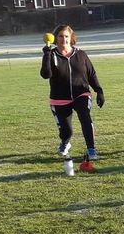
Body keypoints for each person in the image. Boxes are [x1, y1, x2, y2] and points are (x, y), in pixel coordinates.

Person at [41, 25, 104, 160]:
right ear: (55, 39)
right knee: (66, 131)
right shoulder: (51, 55)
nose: (64, 39)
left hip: (81, 93)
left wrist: (99, 90)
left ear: (71, 38)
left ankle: (91, 150)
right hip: (59, 98)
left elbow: (91, 73)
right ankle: (65, 143)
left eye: (66, 36)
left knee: (85, 118)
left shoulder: (80, 54)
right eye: (60, 36)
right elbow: (45, 75)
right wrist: (46, 55)